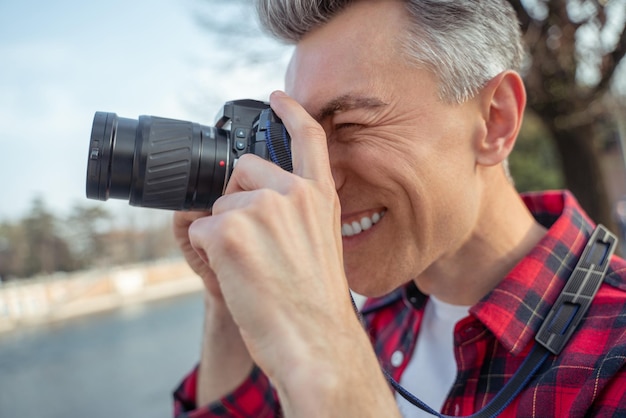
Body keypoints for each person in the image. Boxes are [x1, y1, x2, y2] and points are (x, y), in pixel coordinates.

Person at [172, 0, 626, 416]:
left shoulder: (613, 357)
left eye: (350, 125)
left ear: (495, 121)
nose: (315, 181)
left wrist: (331, 352)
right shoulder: (374, 317)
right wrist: (227, 296)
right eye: (299, 136)